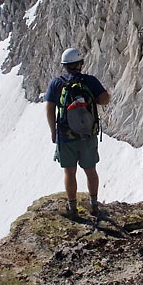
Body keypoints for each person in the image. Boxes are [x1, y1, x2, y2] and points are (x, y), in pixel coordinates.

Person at [44, 48, 110, 218]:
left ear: (65, 66)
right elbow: (105, 99)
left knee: (69, 172)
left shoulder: (56, 84)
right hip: (87, 135)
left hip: (66, 137)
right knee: (90, 170)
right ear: (81, 64)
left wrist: (53, 131)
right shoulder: (89, 81)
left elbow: (50, 108)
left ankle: (72, 208)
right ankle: (94, 205)